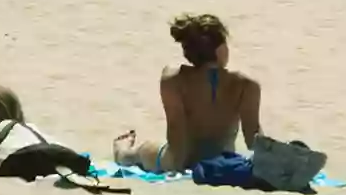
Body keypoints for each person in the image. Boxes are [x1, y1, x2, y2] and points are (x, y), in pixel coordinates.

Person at [112, 14, 262, 173]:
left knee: (142, 151)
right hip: (221, 160)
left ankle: (122, 152)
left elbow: (176, 131)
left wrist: (177, 167)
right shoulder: (246, 85)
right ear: (220, 49)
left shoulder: (173, 79)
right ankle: (124, 152)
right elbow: (254, 139)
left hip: (180, 160)